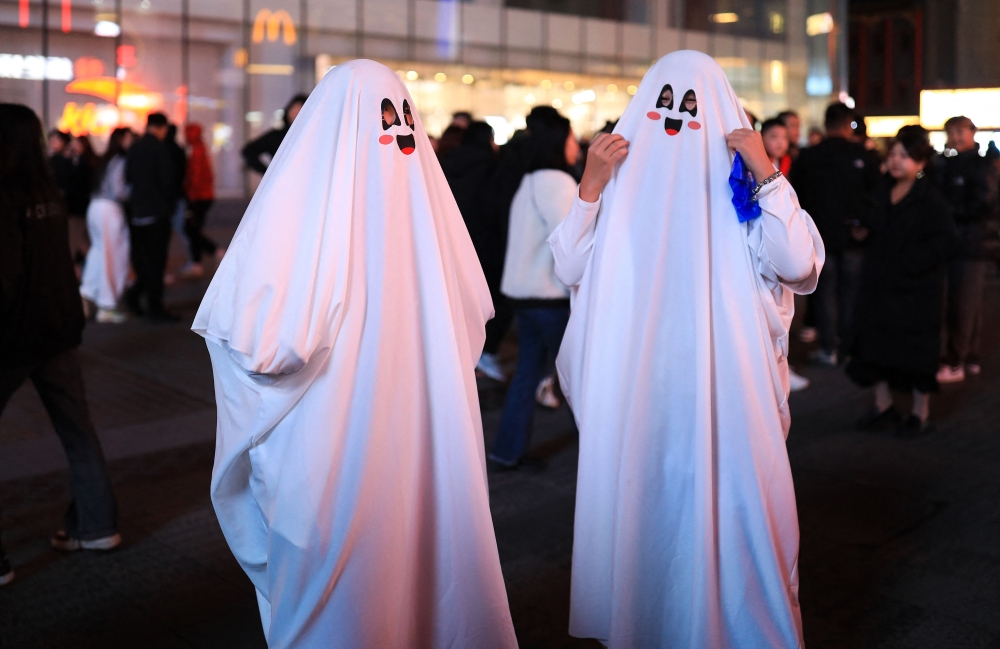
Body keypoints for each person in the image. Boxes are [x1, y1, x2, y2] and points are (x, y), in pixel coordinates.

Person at [192, 60, 517, 647]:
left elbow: (267, 349)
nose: (394, 137)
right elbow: (474, 320)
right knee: (423, 577)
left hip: (330, 456)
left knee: (341, 603)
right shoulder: (433, 216)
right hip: (426, 445)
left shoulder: (298, 211)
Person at [548, 50, 824, 647]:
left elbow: (798, 263)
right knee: (648, 522)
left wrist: (767, 172)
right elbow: (570, 265)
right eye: (666, 104)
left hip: (729, 402)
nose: (677, 119)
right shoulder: (618, 181)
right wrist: (590, 188)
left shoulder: (743, 184)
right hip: (640, 401)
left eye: (693, 107)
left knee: (733, 525)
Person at [0, 104, 121, 570]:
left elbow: (4, 277)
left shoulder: (4, 194)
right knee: (78, 431)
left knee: (77, 430)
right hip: (57, 329)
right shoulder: (48, 190)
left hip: (13, 336)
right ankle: (97, 526)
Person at [847, 126, 957, 437]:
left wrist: (911, 261)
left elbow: (944, 242)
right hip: (879, 285)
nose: (896, 161)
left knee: (916, 350)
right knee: (875, 345)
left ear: (921, 162)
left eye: (905, 156)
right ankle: (884, 406)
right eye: (893, 154)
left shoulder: (931, 199)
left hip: (915, 289)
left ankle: (919, 414)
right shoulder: (880, 192)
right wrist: (862, 231)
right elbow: (872, 225)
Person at [486, 114, 579, 469]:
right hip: (549, 295)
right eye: (571, 139)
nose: (575, 145)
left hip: (524, 293)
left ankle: (507, 450)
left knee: (528, 372)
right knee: (578, 377)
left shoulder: (529, 178)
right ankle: (603, 459)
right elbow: (571, 237)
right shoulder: (557, 181)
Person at [475, 105, 566, 381]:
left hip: (515, 270)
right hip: (544, 284)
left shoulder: (514, 160)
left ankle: (514, 421)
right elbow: (566, 234)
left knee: (530, 361)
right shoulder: (549, 174)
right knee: (570, 367)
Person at [790, 102, 881, 365]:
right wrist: (866, 225)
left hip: (819, 236)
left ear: (826, 122)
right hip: (854, 234)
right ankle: (849, 347)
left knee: (824, 294)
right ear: (848, 123)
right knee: (850, 293)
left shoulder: (808, 157)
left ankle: (828, 349)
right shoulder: (862, 155)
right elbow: (877, 194)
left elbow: (797, 197)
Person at [936, 116, 1000, 383]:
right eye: (951, 132)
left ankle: (956, 361)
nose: (955, 137)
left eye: (960, 131)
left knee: (963, 303)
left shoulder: (982, 164)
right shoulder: (950, 163)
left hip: (972, 241)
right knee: (968, 303)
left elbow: (985, 202)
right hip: (968, 241)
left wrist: (949, 213)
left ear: (972, 132)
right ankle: (969, 356)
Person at [761, 117, 810, 392]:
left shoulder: (791, 165)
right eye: (773, 136)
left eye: (783, 136)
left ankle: (782, 367)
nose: (780, 142)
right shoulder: (756, 168)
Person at [125, 112, 179, 321]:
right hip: (156, 212)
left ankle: (135, 297)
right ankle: (154, 307)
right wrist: (170, 206)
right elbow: (168, 181)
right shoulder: (160, 148)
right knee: (156, 261)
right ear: (162, 127)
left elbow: (128, 176)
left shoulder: (135, 147)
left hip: (137, 212)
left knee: (143, 259)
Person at [80, 126, 134, 324]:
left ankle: (86, 293)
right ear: (122, 139)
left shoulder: (106, 158)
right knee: (114, 255)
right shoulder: (120, 159)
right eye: (130, 137)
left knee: (99, 251)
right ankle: (107, 305)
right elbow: (119, 190)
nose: (132, 141)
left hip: (95, 207)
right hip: (110, 209)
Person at [181, 122, 220, 278]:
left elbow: (195, 178)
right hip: (204, 196)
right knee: (193, 230)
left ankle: (211, 253)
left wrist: (189, 193)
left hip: (199, 197)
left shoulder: (197, 151)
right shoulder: (200, 148)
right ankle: (198, 262)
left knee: (191, 230)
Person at [241, 93, 308, 175]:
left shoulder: (312, 136)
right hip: (283, 182)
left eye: (300, 109)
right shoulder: (277, 136)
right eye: (294, 109)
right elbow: (249, 151)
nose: (296, 113)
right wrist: (267, 174)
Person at [165, 123, 190, 278]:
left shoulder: (164, 150)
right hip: (179, 195)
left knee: (171, 232)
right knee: (181, 230)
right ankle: (192, 260)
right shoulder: (179, 149)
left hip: (169, 197)